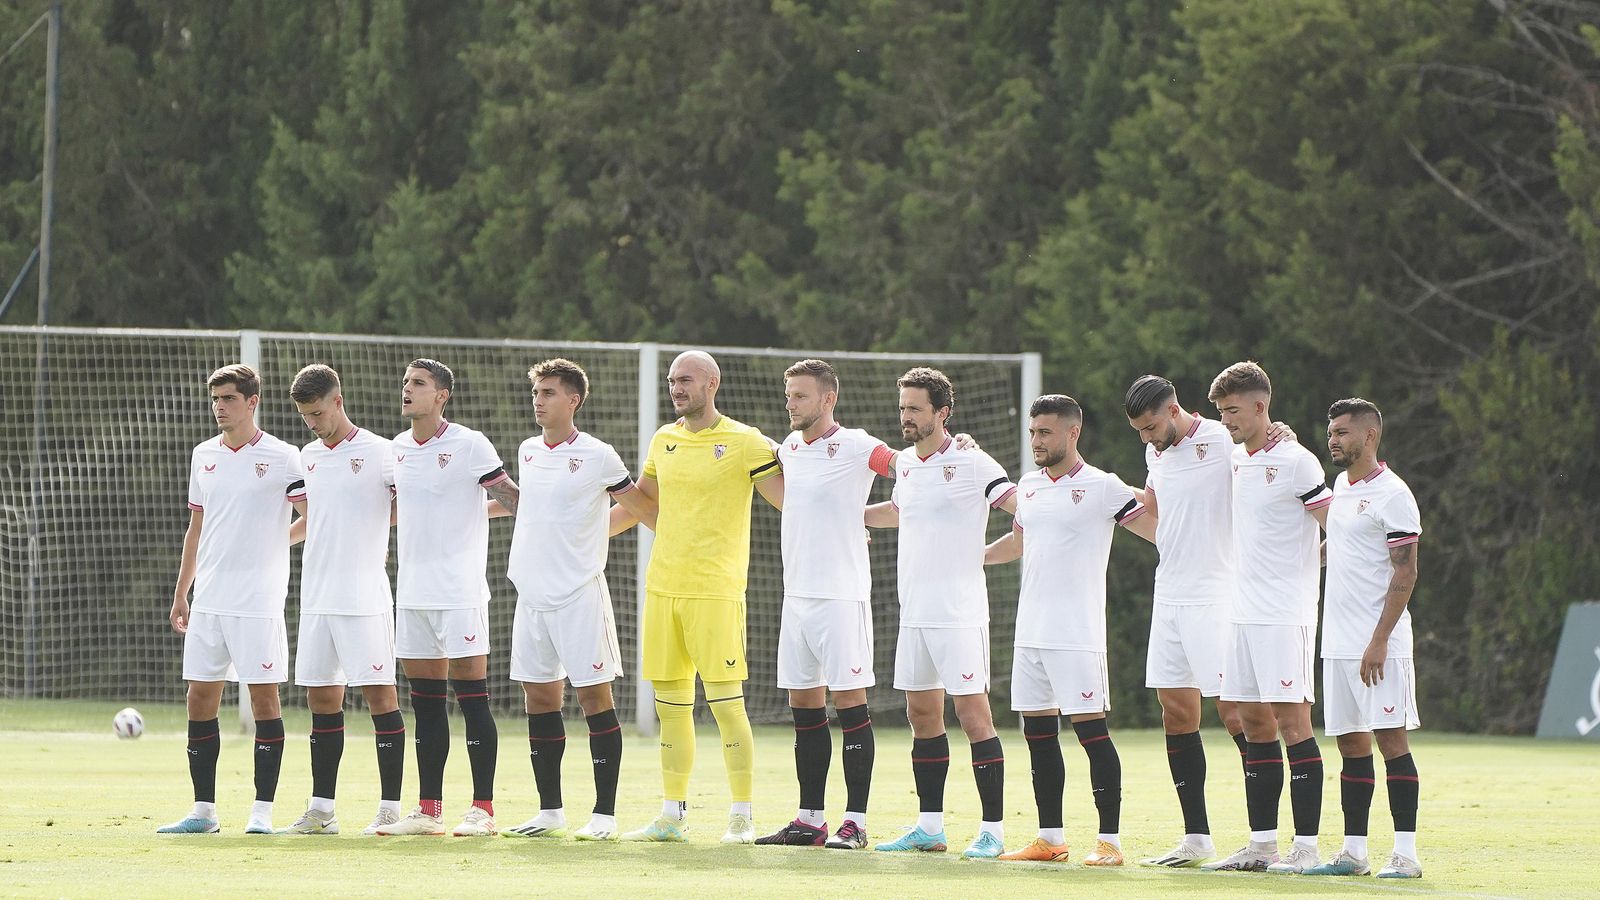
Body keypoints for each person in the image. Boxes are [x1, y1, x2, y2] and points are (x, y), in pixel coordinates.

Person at [620, 350, 784, 845]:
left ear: (712, 383)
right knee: (670, 706)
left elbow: (790, 499)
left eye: (686, 380)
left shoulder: (745, 441)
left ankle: (742, 814)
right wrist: (582, 535)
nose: (676, 388)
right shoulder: (663, 439)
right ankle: (671, 814)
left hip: (715, 592)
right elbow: (643, 505)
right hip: (662, 588)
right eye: (672, 381)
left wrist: (839, 527)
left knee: (726, 705)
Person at [984, 394, 1155, 865]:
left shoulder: (1103, 487)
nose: (1036, 440)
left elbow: (1159, 530)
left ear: (1072, 433)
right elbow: (1019, 544)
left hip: (1077, 635)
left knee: (1091, 734)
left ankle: (1111, 842)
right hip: (1031, 634)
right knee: (1037, 735)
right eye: (1033, 431)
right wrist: (973, 556)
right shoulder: (1029, 486)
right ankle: (1050, 839)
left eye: (1045, 432)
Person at [495, 358, 656, 842]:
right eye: (536, 392)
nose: (538, 401)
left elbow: (643, 510)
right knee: (539, 697)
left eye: (548, 393)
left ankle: (604, 816)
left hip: (579, 595)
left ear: (574, 400)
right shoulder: (526, 450)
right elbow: (533, 509)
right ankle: (550, 811)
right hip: (531, 595)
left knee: (593, 698)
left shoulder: (599, 455)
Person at [866, 366, 1017, 859]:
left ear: (941, 412)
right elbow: (899, 510)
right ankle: (929, 828)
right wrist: (846, 517)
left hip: (959, 614)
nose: (906, 416)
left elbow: (1022, 507)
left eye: (915, 408)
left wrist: (994, 552)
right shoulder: (906, 464)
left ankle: (992, 830)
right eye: (903, 407)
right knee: (921, 714)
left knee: (974, 716)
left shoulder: (974, 463)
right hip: (915, 614)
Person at [755, 359, 897, 850]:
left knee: (850, 705)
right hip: (796, 598)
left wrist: (955, 447)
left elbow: (908, 466)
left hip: (842, 597)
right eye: (788, 394)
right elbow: (785, 494)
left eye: (800, 395)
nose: (790, 403)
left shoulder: (858, 445)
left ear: (828, 398)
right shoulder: (789, 448)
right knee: (804, 706)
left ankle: (854, 823)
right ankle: (810, 819)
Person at [160, 364, 306, 835]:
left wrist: (273, 542)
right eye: (216, 399)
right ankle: (204, 812)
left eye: (228, 398)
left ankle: (261, 812)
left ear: (252, 401)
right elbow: (196, 528)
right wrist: (183, 592)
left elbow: (313, 515)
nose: (220, 406)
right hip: (209, 602)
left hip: (258, 602)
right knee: (199, 698)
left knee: (264, 701)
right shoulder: (203, 454)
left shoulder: (284, 457)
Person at [376, 359, 519, 837]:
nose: (407, 390)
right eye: (405, 383)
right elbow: (398, 510)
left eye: (417, 384)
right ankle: (428, 810)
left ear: (442, 395)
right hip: (412, 595)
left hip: (459, 593)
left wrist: (482, 512)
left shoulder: (469, 443)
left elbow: (512, 498)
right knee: (427, 704)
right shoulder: (395, 449)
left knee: (472, 698)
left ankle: (483, 810)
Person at [1201, 361, 1332, 874]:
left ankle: (1306, 848)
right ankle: (1261, 846)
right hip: (1242, 611)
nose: (1227, 420)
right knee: (1251, 721)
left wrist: (1307, 563)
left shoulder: (1298, 461)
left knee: (1293, 723)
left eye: (1233, 410)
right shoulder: (1234, 459)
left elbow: (1336, 526)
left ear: (1260, 406)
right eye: (1221, 412)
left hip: (1284, 614)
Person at [279, 364, 406, 836]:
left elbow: (405, 506)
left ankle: (391, 809)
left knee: (380, 698)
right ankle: (322, 810)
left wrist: (373, 526)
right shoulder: (307, 455)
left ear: (338, 400)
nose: (312, 423)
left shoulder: (381, 451)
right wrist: (272, 543)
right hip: (316, 598)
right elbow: (314, 520)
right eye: (304, 416)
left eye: (317, 412)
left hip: (365, 598)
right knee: (321, 701)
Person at [1305, 398, 1424, 879]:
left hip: (1381, 647)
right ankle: (1354, 854)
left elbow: (1406, 570)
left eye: (1342, 433)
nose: (1333, 440)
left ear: (1370, 435)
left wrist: (1378, 640)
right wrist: (1303, 566)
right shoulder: (1341, 486)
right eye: (1331, 432)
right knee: (1350, 746)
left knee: (1390, 741)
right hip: (1337, 644)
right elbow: (1344, 545)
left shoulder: (1394, 494)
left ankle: (1406, 855)